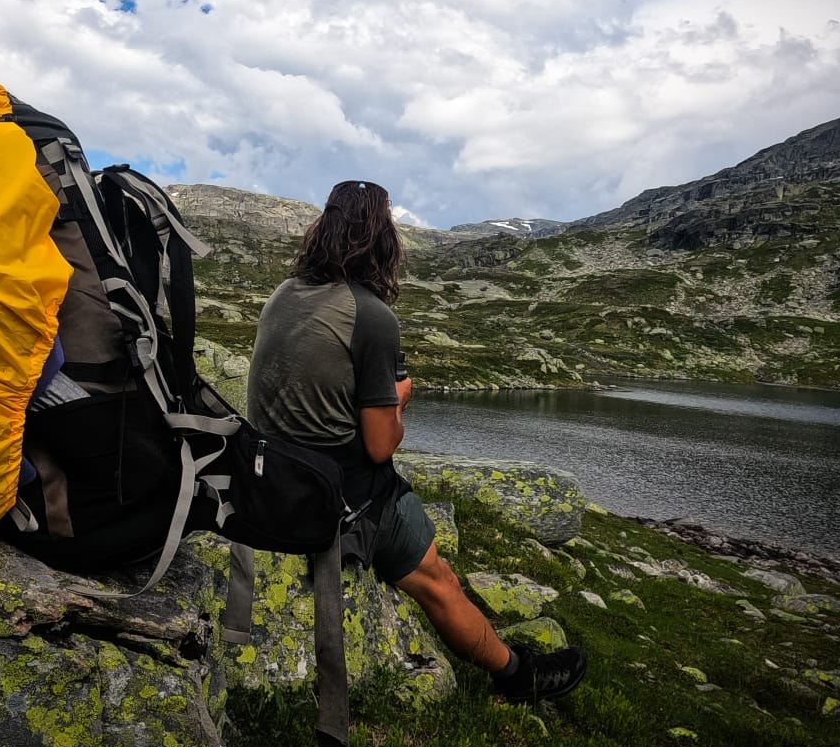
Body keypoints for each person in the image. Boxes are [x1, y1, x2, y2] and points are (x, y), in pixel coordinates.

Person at [246, 179, 588, 704]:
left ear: (325, 228)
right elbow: (381, 446)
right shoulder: (372, 316)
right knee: (437, 577)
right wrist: (400, 399)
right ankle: (518, 676)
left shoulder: (283, 293)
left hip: (269, 479)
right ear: (382, 238)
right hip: (338, 495)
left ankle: (490, 638)